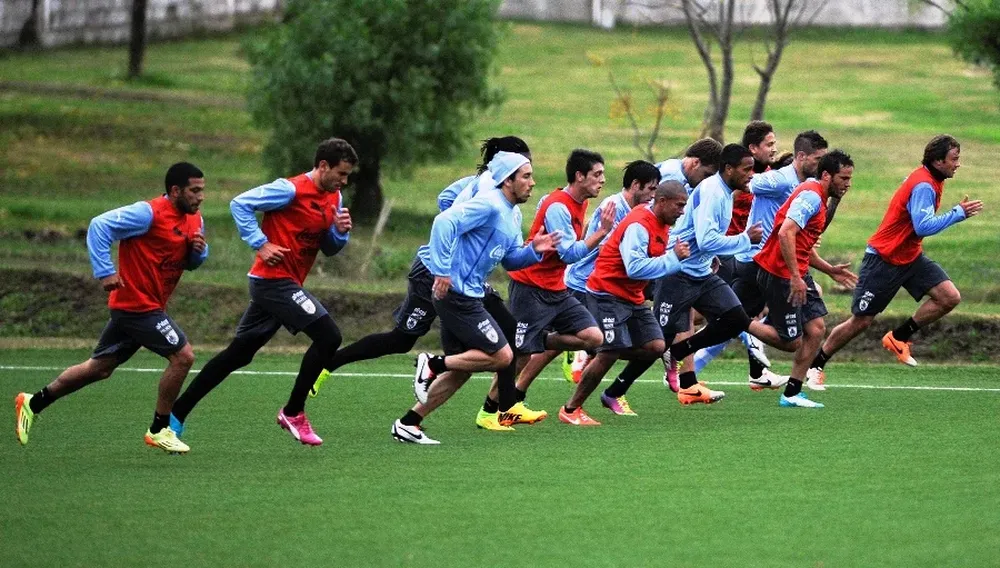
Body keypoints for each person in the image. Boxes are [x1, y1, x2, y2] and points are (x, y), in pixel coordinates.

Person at [308, 137, 530, 399]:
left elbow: (446, 199)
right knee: (402, 340)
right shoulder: (485, 187)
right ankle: (330, 363)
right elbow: (446, 210)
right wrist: (459, 235)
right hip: (433, 273)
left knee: (508, 332)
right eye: (524, 164)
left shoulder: (490, 190)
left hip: (465, 280)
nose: (529, 171)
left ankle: (502, 407)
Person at [168, 138, 357, 446]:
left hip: (286, 284)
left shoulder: (333, 197)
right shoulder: (289, 189)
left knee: (238, 354)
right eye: (341, 173)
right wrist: (261, 243)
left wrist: (339, 232)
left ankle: (175, 415)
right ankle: (293, 412)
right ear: (323, 166)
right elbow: (239, 204)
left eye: (347, 176)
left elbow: (329, 248)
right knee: (329, 337)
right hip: (273, 282)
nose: (344, 181)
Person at [15, 163, 208, 454]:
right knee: (183, 357)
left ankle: (33, 402)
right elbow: (99, 226)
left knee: (99, 369)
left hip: (149, 305)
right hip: (136, 306)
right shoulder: (147, 213)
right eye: (194, 191)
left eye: (202, 190)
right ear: (175, 190)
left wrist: (197, 253)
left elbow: (191, 263)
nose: (200, 197)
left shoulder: (195, 220)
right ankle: (159, 429)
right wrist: (105, 271)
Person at [393, 152, 560, 444]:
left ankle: (409, 423)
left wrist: (534, 251)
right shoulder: (489, 204)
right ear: (507, 180)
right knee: (503, 355)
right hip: (456, 295)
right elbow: (443, 222)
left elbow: (510, 260)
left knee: (462, 369)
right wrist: (442, 271)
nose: (532, 183)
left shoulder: (513, 214)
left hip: (469, 294)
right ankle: (432, 364)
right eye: (526, 176)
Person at [808, 135, 983, 382]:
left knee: (949, 297)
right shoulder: (924, 184)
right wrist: (957, 213)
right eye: (954, 159)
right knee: (861, 321)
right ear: (938, 161)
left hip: (910, 257)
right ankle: (815, 365)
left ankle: (899, 337)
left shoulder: (929, 179)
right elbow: (923, 226)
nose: (958, 164)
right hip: (884, 259)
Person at [478, 149, 612, 428]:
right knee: (520, 356)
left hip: (556, 289)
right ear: (579, 176)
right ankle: (489, 412)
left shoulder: (579, 202)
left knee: (593, 337)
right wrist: (601, 232)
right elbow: (569, 254)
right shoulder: (558, 206)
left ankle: (537, 338)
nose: (602, 180)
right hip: (531, 287)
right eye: (597, 174)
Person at [559, 181, 691, 423]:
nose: (682, 211)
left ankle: (598, 352)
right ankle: (570, 409)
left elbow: (657, 254)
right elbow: (635, 268)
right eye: (679, 205)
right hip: (606, 292)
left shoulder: (662, 223)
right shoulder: (639, 224)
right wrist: (673, 259)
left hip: (631, 296)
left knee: (655, 346)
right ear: (662, 202)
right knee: (610, 352)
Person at [753, 150, 855, 408]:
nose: (848, 184)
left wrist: (829, 269)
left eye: (849, 178)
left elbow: (802, 246)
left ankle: (792, 393)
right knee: (791, 342)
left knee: (816, 329)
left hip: (794, 272)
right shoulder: (811, 197)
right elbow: (786, 233)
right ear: (826, 175)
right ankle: (737, 321)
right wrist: (796, 278)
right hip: (780, 274)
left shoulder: (818, 196)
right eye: (843, 178)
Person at [559, 160, 661, 385]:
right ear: (636, 185)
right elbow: (607, 248)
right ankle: (575, 350)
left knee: (615, 342)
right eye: (651, 189)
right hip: (585, 281)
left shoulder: (639, 211)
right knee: (603, 342)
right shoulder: (613, 206)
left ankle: (579, 351)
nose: (653, 196)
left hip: (609, 284)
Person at [695, 121, 779, 381]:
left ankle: (755, 368)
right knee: (733, 314)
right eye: (769, 144)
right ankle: (749, 341)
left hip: (744, 251)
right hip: (732, 253)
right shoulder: (743, 184)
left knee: (737, 313)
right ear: (753, 148)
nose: (774, 149)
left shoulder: (761, 176)